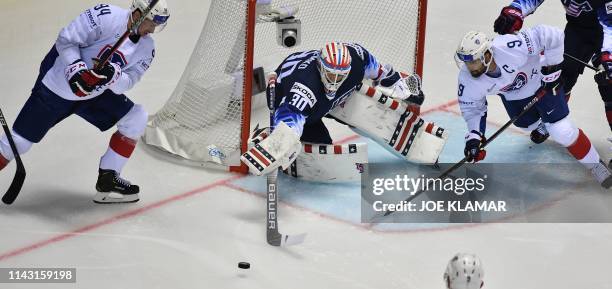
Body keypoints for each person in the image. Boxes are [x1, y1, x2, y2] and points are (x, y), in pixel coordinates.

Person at [0, 0, 170, 204]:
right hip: (58, 86)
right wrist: (77, 68)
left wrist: (113, 76)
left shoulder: (147, 48)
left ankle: (108, 179)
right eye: (151, 22)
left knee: (136, 118)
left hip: (95, 94)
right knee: (18, 142)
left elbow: (129, 81)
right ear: (137, 13)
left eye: (156, 25)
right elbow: (66, 39)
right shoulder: (105, 16)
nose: (152, 29)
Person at [455, 25, 612, 188]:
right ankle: (546, 120)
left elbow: (554, 35)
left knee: (561, 131)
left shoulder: (508, 47)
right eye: (466, 62)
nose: (469, 67)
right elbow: (472, 108)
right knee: (526, 124)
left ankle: (595, 165)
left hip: (543, 84)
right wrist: (474, 138)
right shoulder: (467, 79)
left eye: (473, 61)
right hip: (516, 96)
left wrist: (552, 69)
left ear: (487, 55)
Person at [240, 41, 430, 176]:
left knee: (368, 108)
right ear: (321, 67)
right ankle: (263, 138)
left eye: (341, 76)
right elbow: (290, 117)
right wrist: (281, 142)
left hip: (329, 97)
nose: (336, 81)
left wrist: (399, 85)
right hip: (293, 99)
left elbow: (381, 73)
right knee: (320, 150)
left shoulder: (358, 57)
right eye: (331, 75)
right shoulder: (304, 91)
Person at [493, 0, 612, 145]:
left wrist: (609, 54)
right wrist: (516, 10)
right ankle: (553, 117)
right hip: (578, 31)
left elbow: (609, 24)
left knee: (608, 84)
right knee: (561, 76)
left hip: (608, 30)